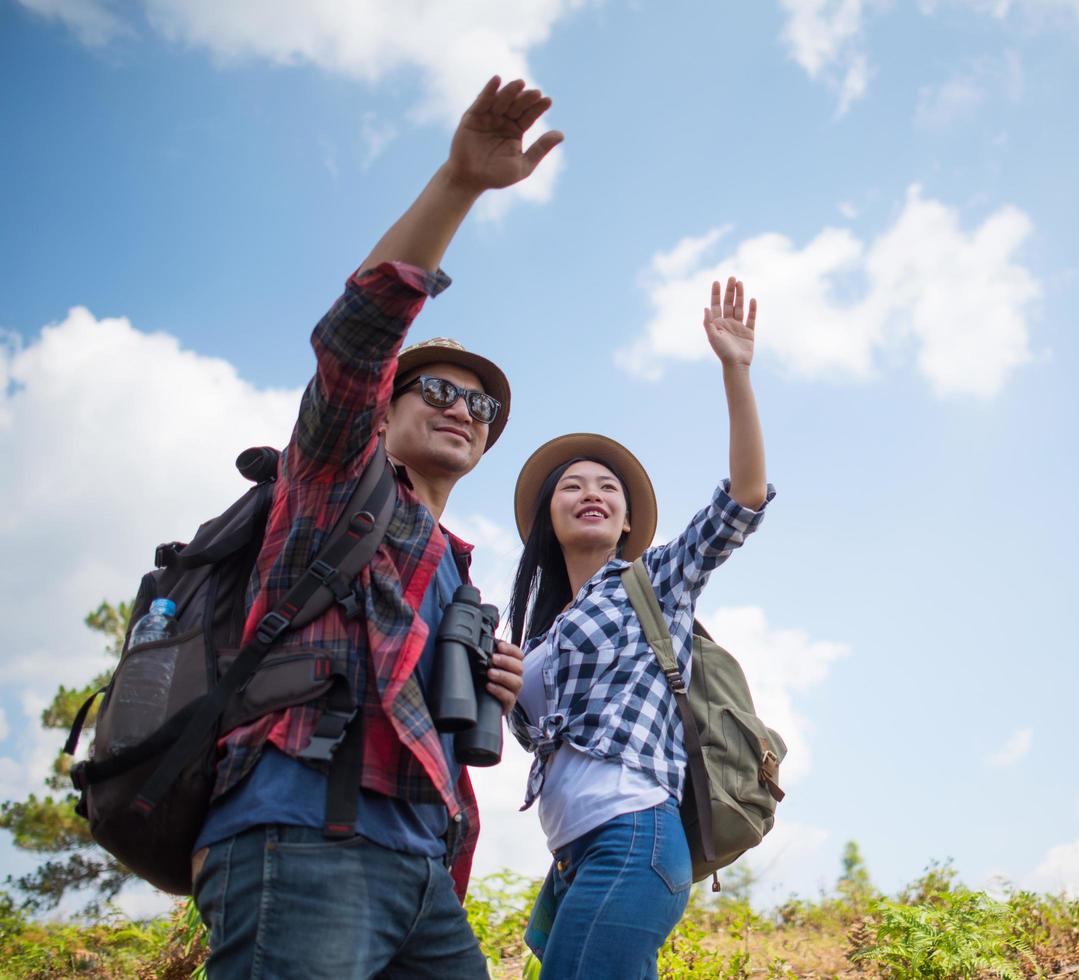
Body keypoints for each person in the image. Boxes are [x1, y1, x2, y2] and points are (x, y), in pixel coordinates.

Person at [189, 74, 561, 978]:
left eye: (480, 407)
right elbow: (355, 341)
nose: (462, 409)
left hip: (422, 868)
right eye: (435, 389)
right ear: (384, 413)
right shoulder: (332, 481)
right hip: (303, 831)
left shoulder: (457, 570)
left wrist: (484, 685)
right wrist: (460, 185)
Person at [506, 277, 775, 978]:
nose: (590, 493)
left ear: (627, 521)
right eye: (571, 486)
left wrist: (734, 372)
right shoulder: (531, 640)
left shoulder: (653, 581)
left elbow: (742, 503)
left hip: (633, 833)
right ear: (548, 518)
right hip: (568, 857)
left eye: (607, 489)